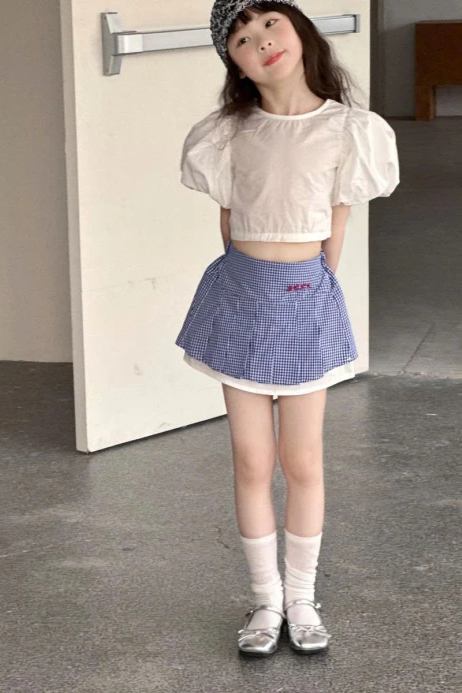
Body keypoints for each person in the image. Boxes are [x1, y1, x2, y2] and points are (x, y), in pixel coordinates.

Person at [175, 1, 399, 657]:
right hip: (241, 298)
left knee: (302, 460)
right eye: (241, 38)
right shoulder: (228, 132)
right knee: (252, 459)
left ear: (299, 29)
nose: (261, 40)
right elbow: (228, 219)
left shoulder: (348, 129)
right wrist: (249, 283)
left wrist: (312, 292)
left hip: (305, 299)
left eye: (269, 22)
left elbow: (337, 222)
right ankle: (266, 599)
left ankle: (302, 596)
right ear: (236, 66)